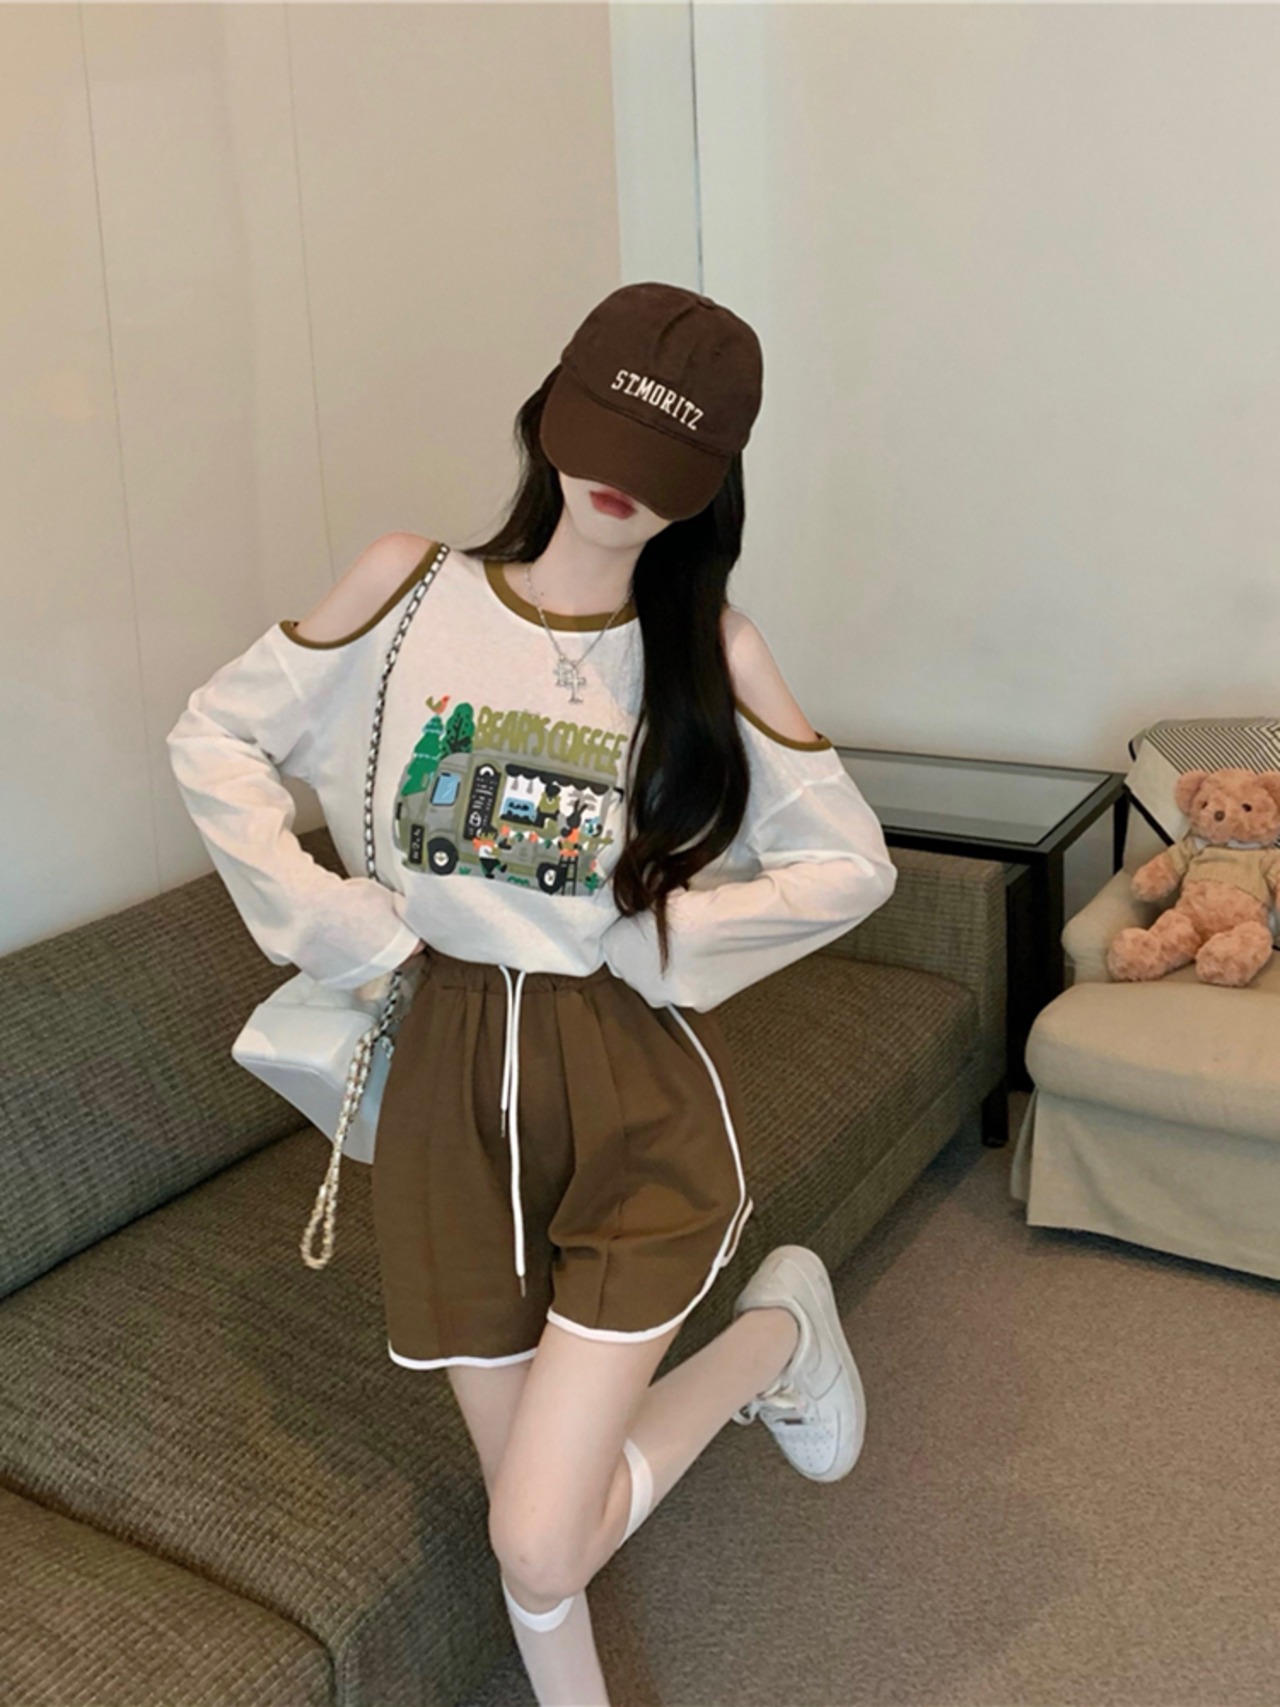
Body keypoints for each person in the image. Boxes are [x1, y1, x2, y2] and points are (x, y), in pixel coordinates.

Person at [166, 281, 898, 1706]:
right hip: (442, 1086)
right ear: (550, 412)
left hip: (624, 1087)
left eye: (662, 459)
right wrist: (340, 927)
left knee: (540, 1535)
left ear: (709, 485)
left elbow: (847, 865)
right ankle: (776, 1341)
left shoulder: (710, 653)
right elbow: (215, 742)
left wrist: (663, 939)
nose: (620, 480)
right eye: (603, 431)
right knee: (538, 1545)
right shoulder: (407, 588)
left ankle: (776, 1331)